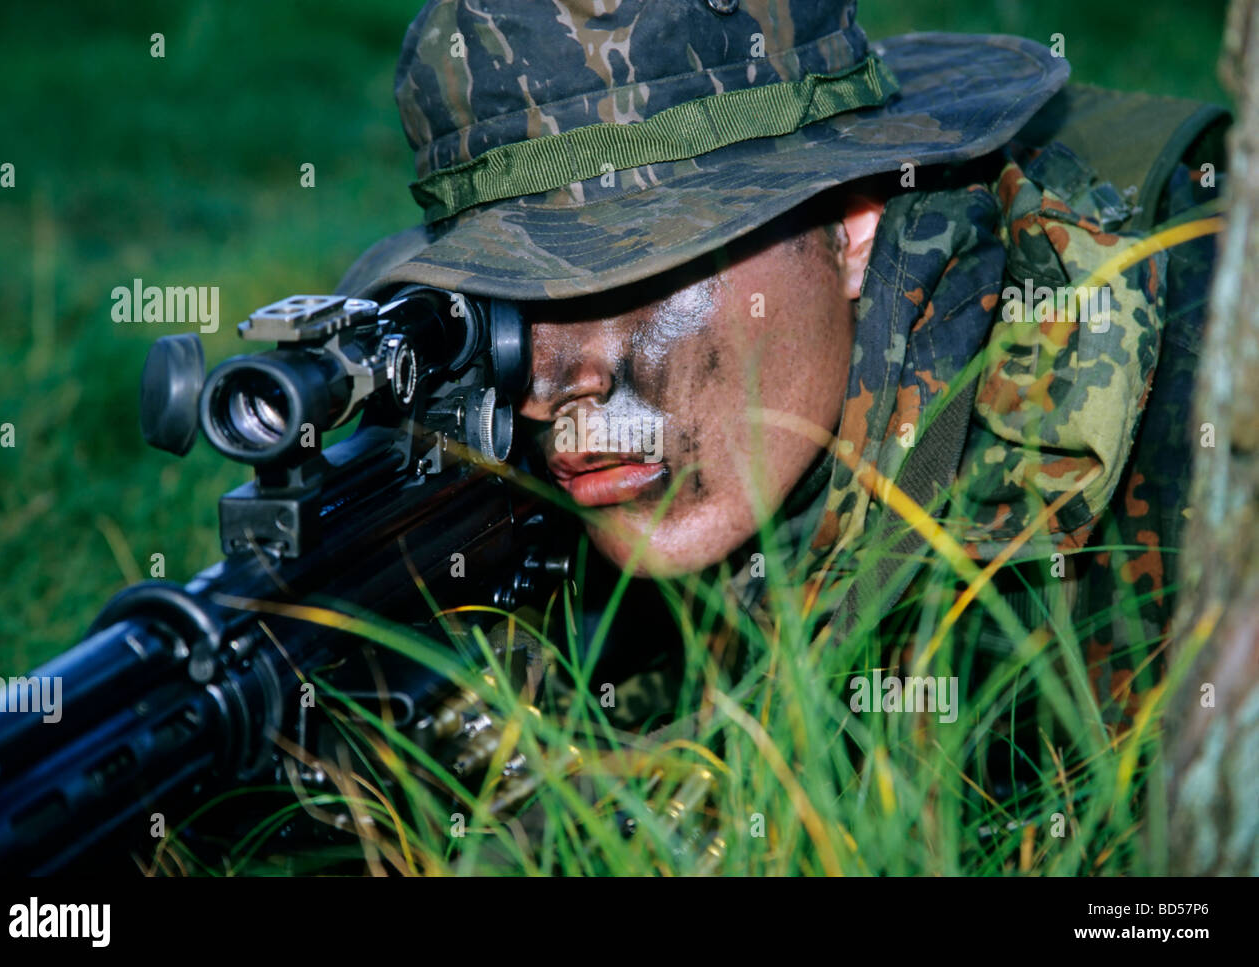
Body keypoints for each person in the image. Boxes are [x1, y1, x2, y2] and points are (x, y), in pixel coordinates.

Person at [338, 0, 1228, 735]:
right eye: (508, 300)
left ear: (852, 222)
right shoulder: (537, 497)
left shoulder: (1191, 425)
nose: (548, 385)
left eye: (633, 272)